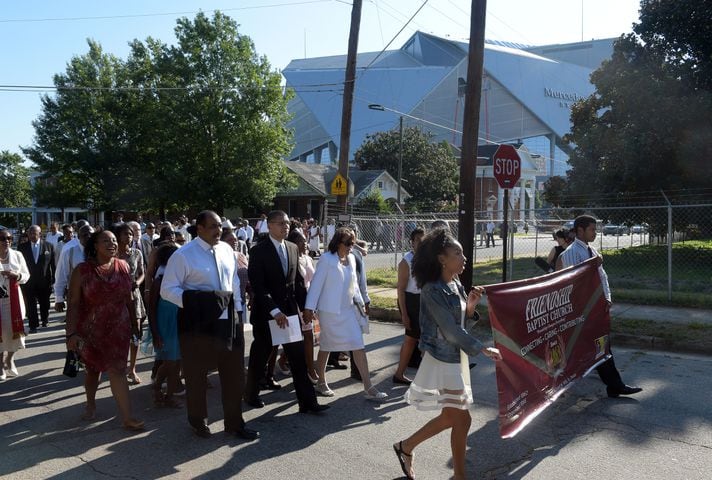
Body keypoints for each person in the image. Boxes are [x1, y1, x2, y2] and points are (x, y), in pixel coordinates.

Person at [393, 228, 502, 480]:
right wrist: (482, 348)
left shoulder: (455, 284)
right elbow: (450, 330)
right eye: (457, 253)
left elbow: (460, 323)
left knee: (455, 417)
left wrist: (471, 305)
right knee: (460, 417)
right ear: (442, 258)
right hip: (442, 358)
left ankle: (406, 447)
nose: (464, 258)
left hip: (455, 357)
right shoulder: (432, 289)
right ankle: (456, 475)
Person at [161, 210, 257, 440]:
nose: (219, 231)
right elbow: (167, 290)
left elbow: (233, 279)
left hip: (229, 320)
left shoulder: (226, 250)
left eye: (220, 227)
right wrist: (198, 301)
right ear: (200, 228)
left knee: (234, 375)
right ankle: (198, 421)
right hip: (198, 325)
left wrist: (237, 308)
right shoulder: (183, 255)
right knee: (197, 376)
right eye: (213, 227)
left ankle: (235, 423)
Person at [245, 210, 328, 415]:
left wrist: (307, 308)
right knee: (260, 357)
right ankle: (251, 394)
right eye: (280, 223)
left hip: (289, 314)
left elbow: (298, 283)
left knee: (298, 358)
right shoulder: (258, 251)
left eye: (287, 223)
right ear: (270, 226)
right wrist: (274, 311)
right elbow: (258, 285)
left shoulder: (292, 248)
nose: (285, 227)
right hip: (267, 315)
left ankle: (308, 403)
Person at [64, 229, 144, 431]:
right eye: (106, 240)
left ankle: (127, 417)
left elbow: (129, 298)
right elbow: (73, 303)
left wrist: (135, 324)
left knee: (118, 370)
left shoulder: (124, 266)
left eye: (115, 240)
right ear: (95, 246)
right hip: (91, 331)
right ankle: (90, 403)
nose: (113, 243)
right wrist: (71, 333)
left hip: (119, 329)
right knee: (93, 372)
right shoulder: (81, 271)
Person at [556, 215, 642, 398]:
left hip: (594, 309)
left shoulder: (592, 251)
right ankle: (551, 382)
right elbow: (573, 283)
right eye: (592, 229)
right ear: (580, 230)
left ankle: (614, 385)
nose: (595, 233)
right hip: (581, 312)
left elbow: (602, 277)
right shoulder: (571, 253)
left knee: (601, 347)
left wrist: (607, 298)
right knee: (590, 348)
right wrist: (591, 266)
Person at [303, 227, 387, 402]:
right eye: (348, 243)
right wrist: (309, 308)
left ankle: (368, 386)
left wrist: (364, 300)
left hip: (349, 310)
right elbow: (316, 285)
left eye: (353, 243)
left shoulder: (351, 259)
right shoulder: (326, 259)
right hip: (330, 312)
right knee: (326, 346)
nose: (351, 246)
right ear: (338, 242)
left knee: (358, 345)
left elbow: (356, 284)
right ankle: (321, 382)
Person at [148, 244, 182, 408]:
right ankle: (157, 387)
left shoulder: (183, 280)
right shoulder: (159, 282)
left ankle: (169, 394)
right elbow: (152, 309)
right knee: (169, 361)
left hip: (179, 324)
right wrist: (155, 333)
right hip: (164, 326)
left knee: (176, 362)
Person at [112, 223, 147, 385]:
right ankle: (118, 366)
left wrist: (138, 283)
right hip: (116, 298)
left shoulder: (137, 253)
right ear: (118, 236)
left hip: (134, 296)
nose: (129, 237)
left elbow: (142, 273)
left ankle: (132, 368)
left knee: (136, 332)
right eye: (126, 234)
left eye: (131, 234)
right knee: (118, 334)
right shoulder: (113, 255)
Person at [393, 228, 425, 385]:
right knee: (415, 340)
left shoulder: (428, 259)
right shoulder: (406, 261)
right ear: (411, 242)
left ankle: (400, 373)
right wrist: (404, 314)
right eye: (417, 240)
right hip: (411, 303)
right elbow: (401, 289)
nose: (421, 242)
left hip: (425, 302)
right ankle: (402, 374)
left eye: (423, 239)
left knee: (413, 340)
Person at [287, 228, 319, 384]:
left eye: (305, 240)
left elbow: (313, 282)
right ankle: (307, 368)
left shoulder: (308, 259)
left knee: (308, 335)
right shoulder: (289, 260)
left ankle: (309, 368)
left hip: (308, 301)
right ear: (292, 244)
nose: (305, 243)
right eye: (300, 241)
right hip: (296, 303)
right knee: (296, 337)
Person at [0, 228, 30, 380]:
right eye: (3, 238)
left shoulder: (17, 255)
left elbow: (26, 275)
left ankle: (9, 359)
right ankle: (0, 365)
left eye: (9, 238)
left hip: (14, 302)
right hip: (0, 302)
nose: (6, 241)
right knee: (1, 332)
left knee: (15, 333)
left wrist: (16, 275)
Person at [18, 225, 55, 332]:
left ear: (40, 234)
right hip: (28, 281)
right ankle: (33, 325)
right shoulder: (22, 247)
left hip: (44, 280)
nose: (32, 235)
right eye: (30, 233)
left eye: (35, 233)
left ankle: (44, 319)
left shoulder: (49, 246)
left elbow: (52, 264)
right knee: (30, 304)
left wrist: (53, 278)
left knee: (45, 302)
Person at [54, 224, 94, 313]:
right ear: (78, 237)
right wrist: (59, 299)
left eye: (91, 234)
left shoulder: (100, 251)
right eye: (85, 235)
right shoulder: (69, 252)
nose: (88, 237)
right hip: (76, 296)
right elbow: (61, 276)